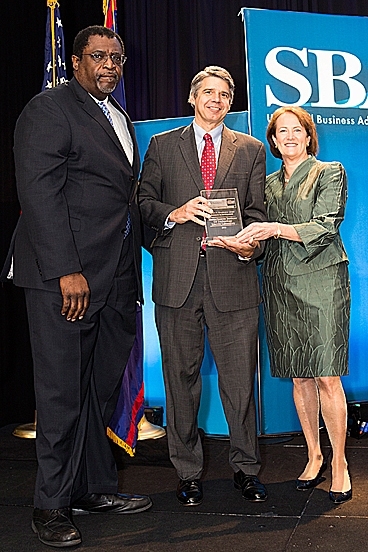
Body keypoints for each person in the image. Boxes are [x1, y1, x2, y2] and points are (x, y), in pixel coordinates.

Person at [2, 25, 152, 548]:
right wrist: (67, 270)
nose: (110, 64)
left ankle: (92, 487)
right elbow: (39, 195)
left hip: (113, 280)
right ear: (75, 61)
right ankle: (51, 504)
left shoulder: (118, 116)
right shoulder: (49, 109)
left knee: (97, 392)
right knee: (62, 394)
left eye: (117, 57)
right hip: (64, 281)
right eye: (98, 56)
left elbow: (119, 200)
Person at [139, 66, 268, 507]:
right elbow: (143, 204)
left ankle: (246, 469)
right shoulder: (161, 145)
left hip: (233, 279)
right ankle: (188, 473)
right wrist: (175, 213)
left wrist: (249, 247)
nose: (217, 99)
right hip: (178, 282)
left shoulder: (250, 149)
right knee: (180, 382)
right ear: (193, 98)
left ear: (231, 102)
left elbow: (255, 213)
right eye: (208, 92)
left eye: (225, 93)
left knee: (239, 384)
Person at [236, 106, 352, 505]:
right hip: (280, 284)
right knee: (300, 377)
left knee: (326, 376)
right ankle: (313, 454)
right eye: (280, 131)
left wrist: (273, 228)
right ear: (271, 140)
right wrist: (244, 246)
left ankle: (339, 461)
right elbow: (260, 239)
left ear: (308, 136)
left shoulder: (330, 171)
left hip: (323, 283)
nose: (288, 137)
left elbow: (325, 224)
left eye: (295, 130)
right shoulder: (265, 185)